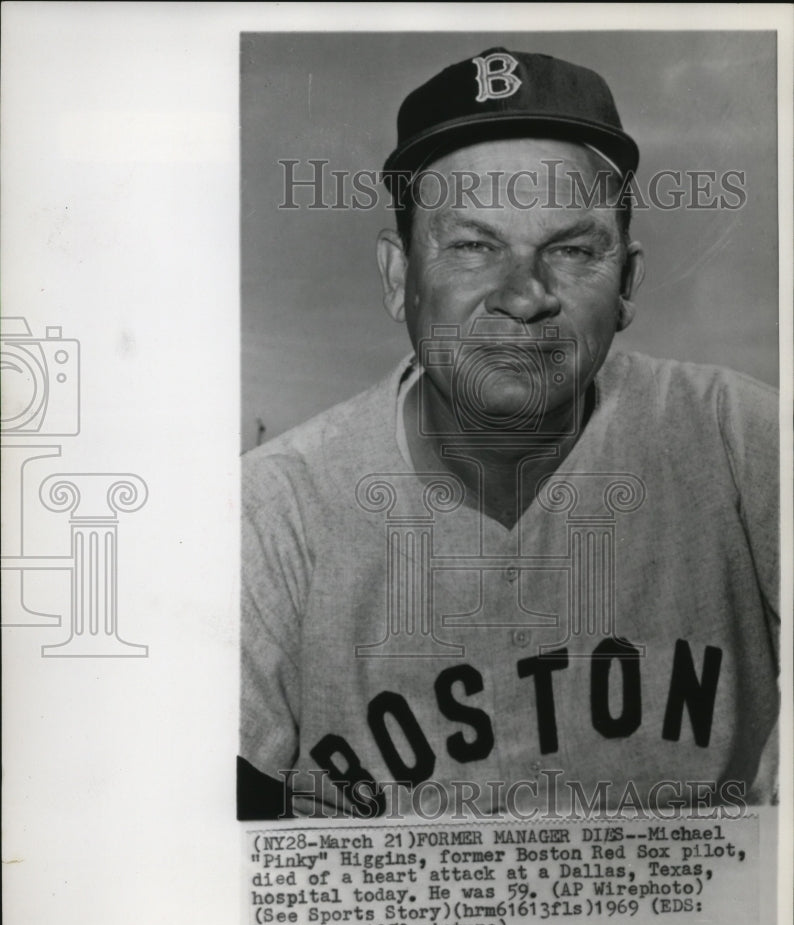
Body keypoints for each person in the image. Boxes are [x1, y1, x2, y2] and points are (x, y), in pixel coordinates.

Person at [239, 48, 779, 820]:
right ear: (399, 279)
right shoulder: (271, 514)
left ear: (625, 284)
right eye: (472, 246)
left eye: (571, 250)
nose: (525, 297)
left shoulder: (735, 438)